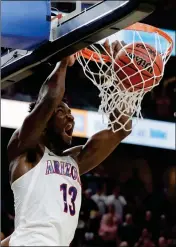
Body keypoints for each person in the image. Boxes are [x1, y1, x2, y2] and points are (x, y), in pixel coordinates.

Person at [1, 41, 132, 246]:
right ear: (43, 124)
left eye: (71, 114)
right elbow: (49, 100)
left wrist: (116, 79)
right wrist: (64, 61)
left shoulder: (75, 160)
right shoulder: (25, 151)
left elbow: (121, 129)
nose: (71, 118)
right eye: (62, 113)